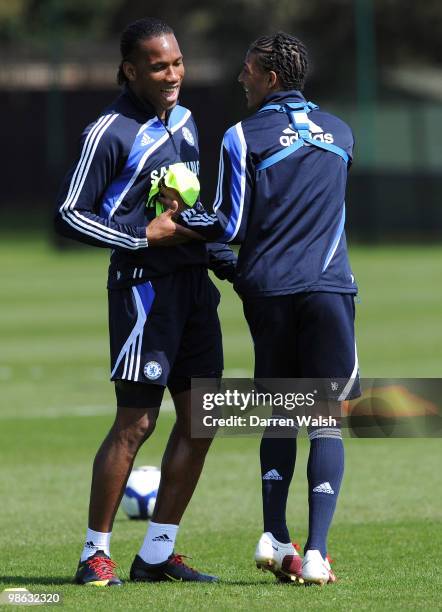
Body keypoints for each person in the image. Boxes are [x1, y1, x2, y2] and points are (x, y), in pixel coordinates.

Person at [159, 31, 360, 585]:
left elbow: (229, 223)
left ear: (270, 78)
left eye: (248, 70)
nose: (240, 77)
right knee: (323, 419)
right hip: (329, 289)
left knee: (279, 411)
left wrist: (179, 215)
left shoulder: (241, 136)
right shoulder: (341, 132)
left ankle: (275, 535)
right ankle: (315, 552)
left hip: (269, 292)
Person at [54, 17, 236, 586]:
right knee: (136, 423)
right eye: (159, 65)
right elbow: (69, 214)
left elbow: (182, 209)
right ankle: (94, 555)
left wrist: (217, 247)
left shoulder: (184, 121)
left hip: (193, 289)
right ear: (131, 69)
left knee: (202, 420)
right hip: (143, 290)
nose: (173, 74)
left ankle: (157, 554)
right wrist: (142, 237)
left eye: (177, 62)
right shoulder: (108, 131)